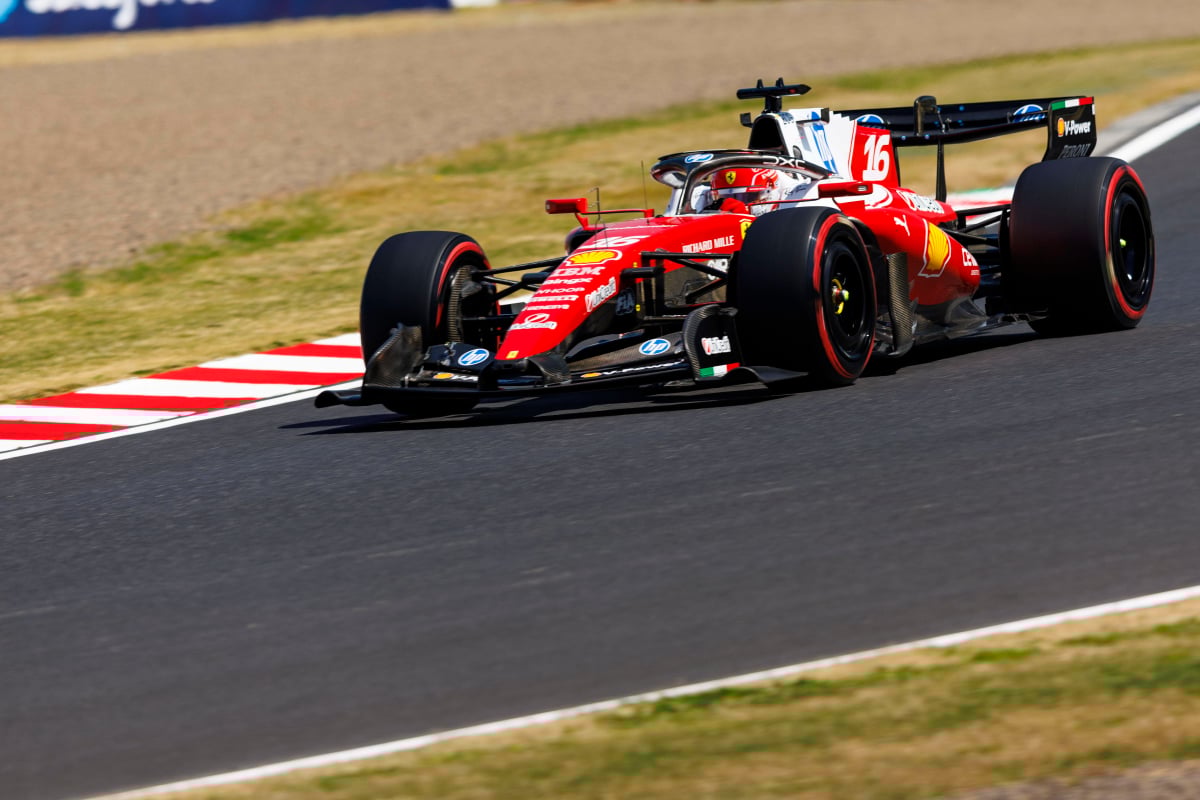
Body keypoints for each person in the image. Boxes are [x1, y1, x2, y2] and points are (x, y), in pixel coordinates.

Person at [702, 167, 811, 215]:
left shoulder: (796, 200)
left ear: (770, 192)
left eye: (748, 197)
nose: (734, 204)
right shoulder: (701, 197)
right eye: (724, 198)